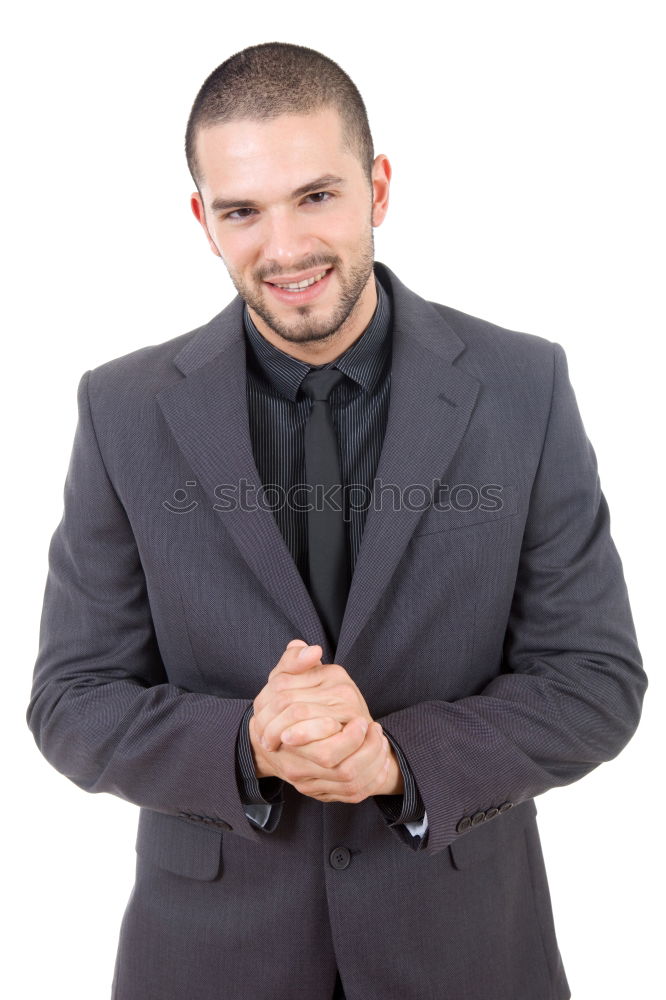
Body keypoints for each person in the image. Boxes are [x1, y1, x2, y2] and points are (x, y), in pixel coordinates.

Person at [26, 41, 646, 1000]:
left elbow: (595, 680)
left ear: (378, 187)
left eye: (316, 196)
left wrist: (400, 759)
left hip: (467, 954)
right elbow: (71, 699)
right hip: (208, 962)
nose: (283, 249)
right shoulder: (122, 410)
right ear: (203, 220)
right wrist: (247, 746)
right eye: (242, 211)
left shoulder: (525, 386)